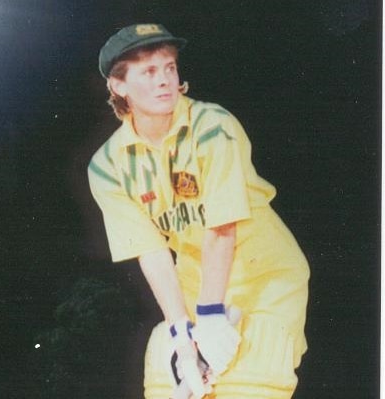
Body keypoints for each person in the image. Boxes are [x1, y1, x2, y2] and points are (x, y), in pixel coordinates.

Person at [88, 23, 309, 399]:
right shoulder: (107, 165)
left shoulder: (212, 126)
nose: (164, 81)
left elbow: (221, 228)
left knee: (252, 376)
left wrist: (210, 317)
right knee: (167, 366)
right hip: (196, 278)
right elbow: (153, 253)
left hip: (264, 276)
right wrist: (181, 332)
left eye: (170, 67)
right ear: (118, 85)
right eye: (149, 71)